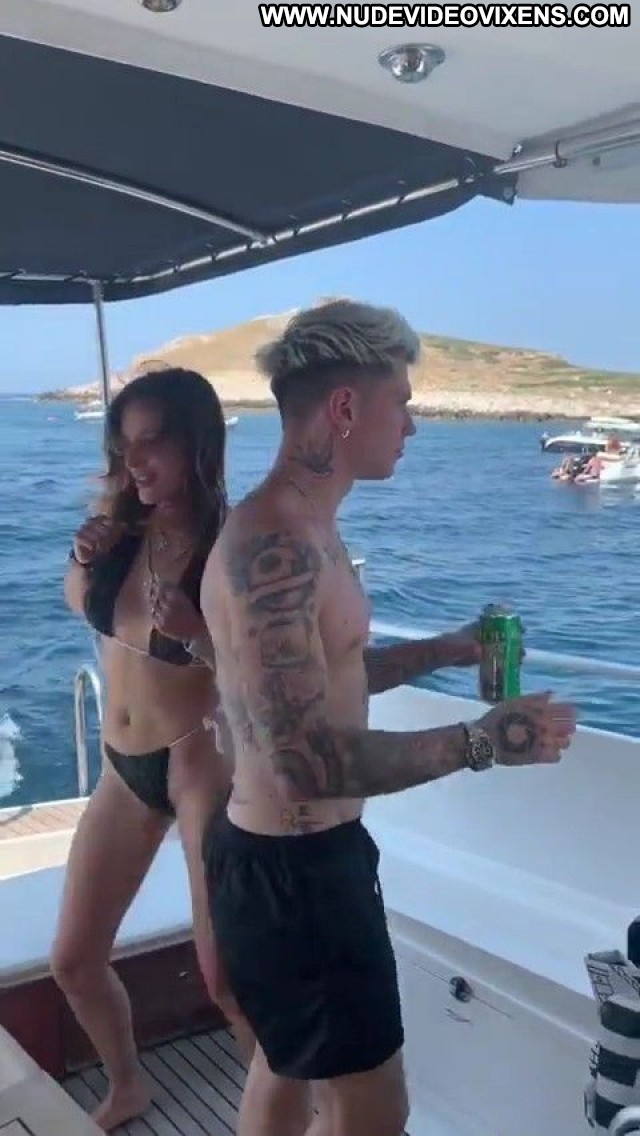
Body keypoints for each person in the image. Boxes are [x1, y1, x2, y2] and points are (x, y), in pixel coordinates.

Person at [198, 299, 578, 1136]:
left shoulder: (302, 528)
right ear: (344, 408)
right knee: (374, 1111)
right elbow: (302, 760)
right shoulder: (277, 546)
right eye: (399, 402)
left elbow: (313, 683)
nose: (410, 425)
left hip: (283, 863)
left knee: (284, 1066)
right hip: (300, 876)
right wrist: (484, 741)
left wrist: (441, 650)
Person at [53, 367, 249, 1131]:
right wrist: (83, 557)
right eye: (125, 445)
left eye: (152, 442)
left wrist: (196, 636)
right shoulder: (118, 531)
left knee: (226, 978)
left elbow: (260, 676)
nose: (134, 462)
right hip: (122, 765)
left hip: (199, 764)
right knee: (74, 959)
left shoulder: (230, 547)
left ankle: (295, 1108)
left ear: (196, 443)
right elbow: (82, 605)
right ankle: (127, 1085)